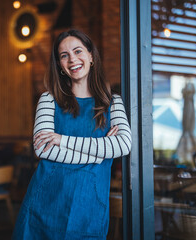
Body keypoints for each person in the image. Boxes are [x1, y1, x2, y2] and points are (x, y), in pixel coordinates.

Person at [12, 29, 132, 240]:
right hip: (45, 204)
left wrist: (62, 140)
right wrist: (102, 152)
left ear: (91, 56)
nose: (72, 59)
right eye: (64, 55)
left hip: (90, 207)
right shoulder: (48, 100)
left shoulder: (113, 102)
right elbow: (43, 149)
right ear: (59, 64)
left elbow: (123, 145)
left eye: (78, 51)